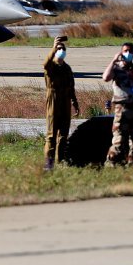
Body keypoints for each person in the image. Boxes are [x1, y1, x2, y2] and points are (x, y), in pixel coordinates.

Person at [43, 36, 79, 171]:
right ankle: (49, 164)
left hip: (65, 102)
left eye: (63, 49)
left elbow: (71, 86)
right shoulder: (51, 67)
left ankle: (61, 160)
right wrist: (53, 47)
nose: (61, 51)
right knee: (51, 136)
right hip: (53, 101)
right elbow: (45, 64)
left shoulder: (67, 68)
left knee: (63, 135)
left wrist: (75, 102)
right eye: (59, 49)